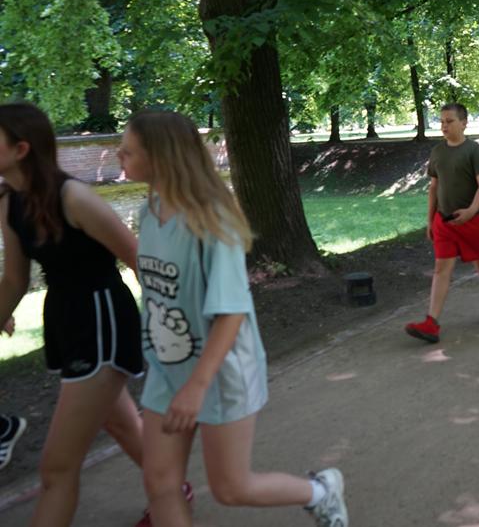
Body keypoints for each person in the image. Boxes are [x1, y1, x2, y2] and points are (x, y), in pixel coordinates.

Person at [119, 110, 347, 527]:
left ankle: (321, 492)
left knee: (231, 488)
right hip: (168, 368)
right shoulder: (149, 212)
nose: (120, 157)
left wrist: (196, 386)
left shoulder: (211, 220)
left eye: (128, 151)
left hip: (221, 372)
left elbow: (231, 313)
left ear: (161, 157)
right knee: (160, 483)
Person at [0, 102, 147, 527]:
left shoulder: (74, 197)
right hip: (65, 318)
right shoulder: (10, 202)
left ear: (21, 149)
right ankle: (172, 490)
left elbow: (138, 259)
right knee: (120, 424)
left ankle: (171, 496)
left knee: (57, 468)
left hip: (102, 319)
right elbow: (14, 281)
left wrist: (175, 329)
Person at [405, 103, 479, 343]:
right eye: (442, 121)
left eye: (449, 121)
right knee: (441, 268)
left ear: (463, 123)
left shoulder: (474, 151)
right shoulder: (438, 152)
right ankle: (432, 323)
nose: (444, 126)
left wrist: (471, 211)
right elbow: (434, 187)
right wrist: (430, 219)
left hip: (474, 220)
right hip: (444, 221)